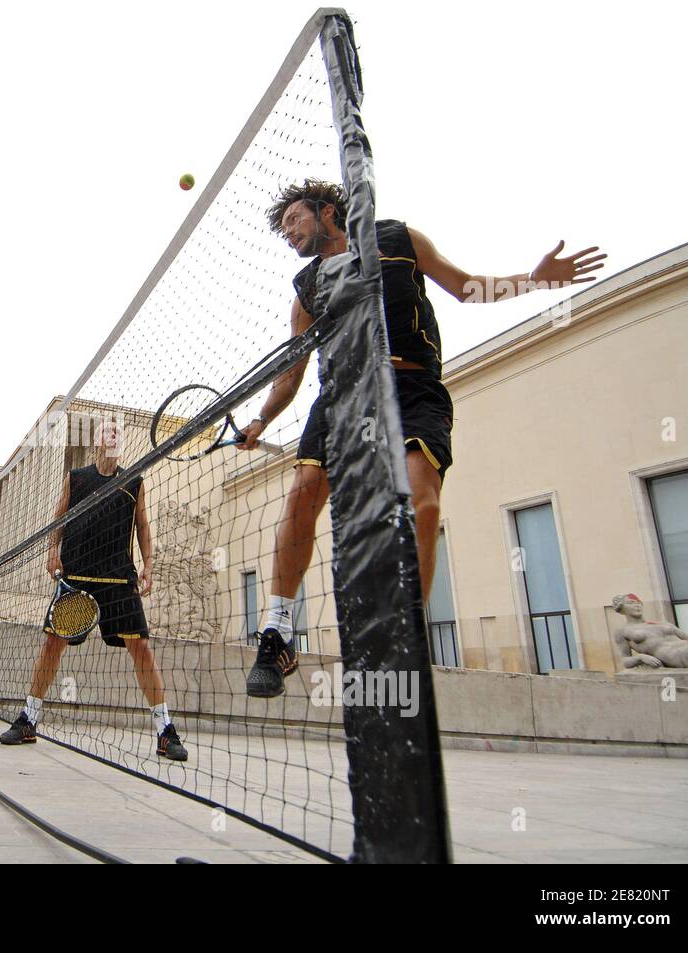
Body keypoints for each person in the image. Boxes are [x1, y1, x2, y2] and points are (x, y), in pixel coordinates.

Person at [239, 179, 603, 698]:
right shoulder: (307, 287)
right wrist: (261, 422)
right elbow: (292, 372)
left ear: (326, 212)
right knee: (302, 493)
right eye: (283, 230)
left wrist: (536, 280)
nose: (288, 234)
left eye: (294, 220)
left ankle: (403, 634)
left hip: (412, 390)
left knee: (421, 502)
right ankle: (276, 633)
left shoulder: (399, 237)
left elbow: (467, 286)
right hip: (342, 395)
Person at [0, 420, 188, 761]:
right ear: (97, 440)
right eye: (108, 430)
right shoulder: (77, 477)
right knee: (53, 643)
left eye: (119, 431)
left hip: (118, 577)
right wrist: (52, 550)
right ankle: (29, 718)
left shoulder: (135, 480)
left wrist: (149, 565)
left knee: (141, 647)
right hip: (77, 575)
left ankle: (164, 730)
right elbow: (58, 517)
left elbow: (142, 525)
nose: (114, 434)